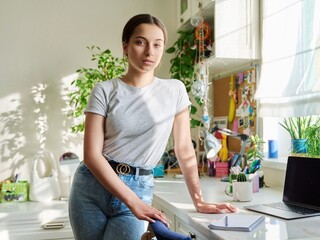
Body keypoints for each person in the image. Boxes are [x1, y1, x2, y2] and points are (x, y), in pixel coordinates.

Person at [68, 13, 237, 240]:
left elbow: (185, 149)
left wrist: (199, 200)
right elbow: (91, 155)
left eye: (157, 45)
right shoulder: (104, 90)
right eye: (140, 42)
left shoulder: (174, 90)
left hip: (138, 185)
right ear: (125, 47)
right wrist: (133, 202)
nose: (150, 52)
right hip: (91, 189)